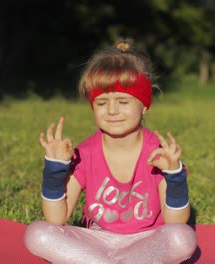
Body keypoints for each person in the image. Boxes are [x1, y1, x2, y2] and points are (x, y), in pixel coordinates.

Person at [24, 39, 197, 264]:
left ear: (145, 106)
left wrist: (174, 176)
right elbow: (56, 218)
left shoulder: (158, 154)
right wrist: (55, 169)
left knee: (182, 238)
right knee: (37, 233)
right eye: (102, 103)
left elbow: (175, 221)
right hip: (95, 242)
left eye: (123, 101)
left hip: (146, 243)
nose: (112, 111)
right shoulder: (85, 153)